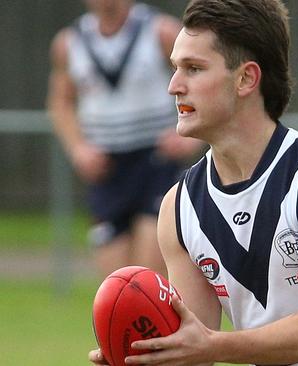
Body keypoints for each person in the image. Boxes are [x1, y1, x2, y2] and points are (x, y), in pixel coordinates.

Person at [89, 0, 298, 364]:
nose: (173, 86)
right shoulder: (179, 208)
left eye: (194, 69)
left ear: (247, 78)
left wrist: (212, 345)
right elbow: (194, 347)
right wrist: (146, 355)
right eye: (174, 68)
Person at [47, 0, 202, 277]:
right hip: (106, 168)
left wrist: (191, 138)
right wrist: (78, 149)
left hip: (155, 161)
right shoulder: (69, 43)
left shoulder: (160, 31)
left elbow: (199, 79)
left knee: (149, 275)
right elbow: (61, 102)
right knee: (114, 283)